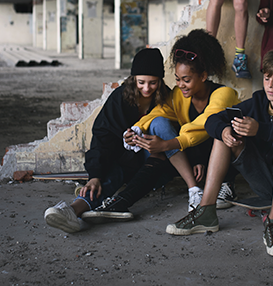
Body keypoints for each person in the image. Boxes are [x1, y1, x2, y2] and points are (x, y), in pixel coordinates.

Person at [165, 50, 273, 258]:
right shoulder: (258, 102)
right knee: (225, 134)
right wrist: (224, 131)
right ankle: (206, 212)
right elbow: (213, 120)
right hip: (265, 185)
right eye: (267, 79)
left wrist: (261, 130)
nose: (270, 85)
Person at [82, 29, 241, 220]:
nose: (180, 85)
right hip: (193, 157)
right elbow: (160, 112)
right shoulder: (178, 96)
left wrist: (166, 144)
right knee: (158, 147)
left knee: (217, 136)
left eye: (186, 80)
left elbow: (202, 126)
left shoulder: (225, 94)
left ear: (203, 76)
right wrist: (135, 130)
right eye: (177, 79)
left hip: (221, 158)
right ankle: (121, 202)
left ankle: (226, 184)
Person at [44, 48, 169, 233]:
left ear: (160, 81)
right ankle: (72, 210)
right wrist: (95, 175)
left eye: (153, 83)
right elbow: (104, 135)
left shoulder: (168, 98)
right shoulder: (120, 97)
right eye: (141, 82)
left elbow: (178, 129)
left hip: (157, 159)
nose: (146, 88)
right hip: (124, 160)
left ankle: (102, 204)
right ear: (133, 78)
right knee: (108, 175)